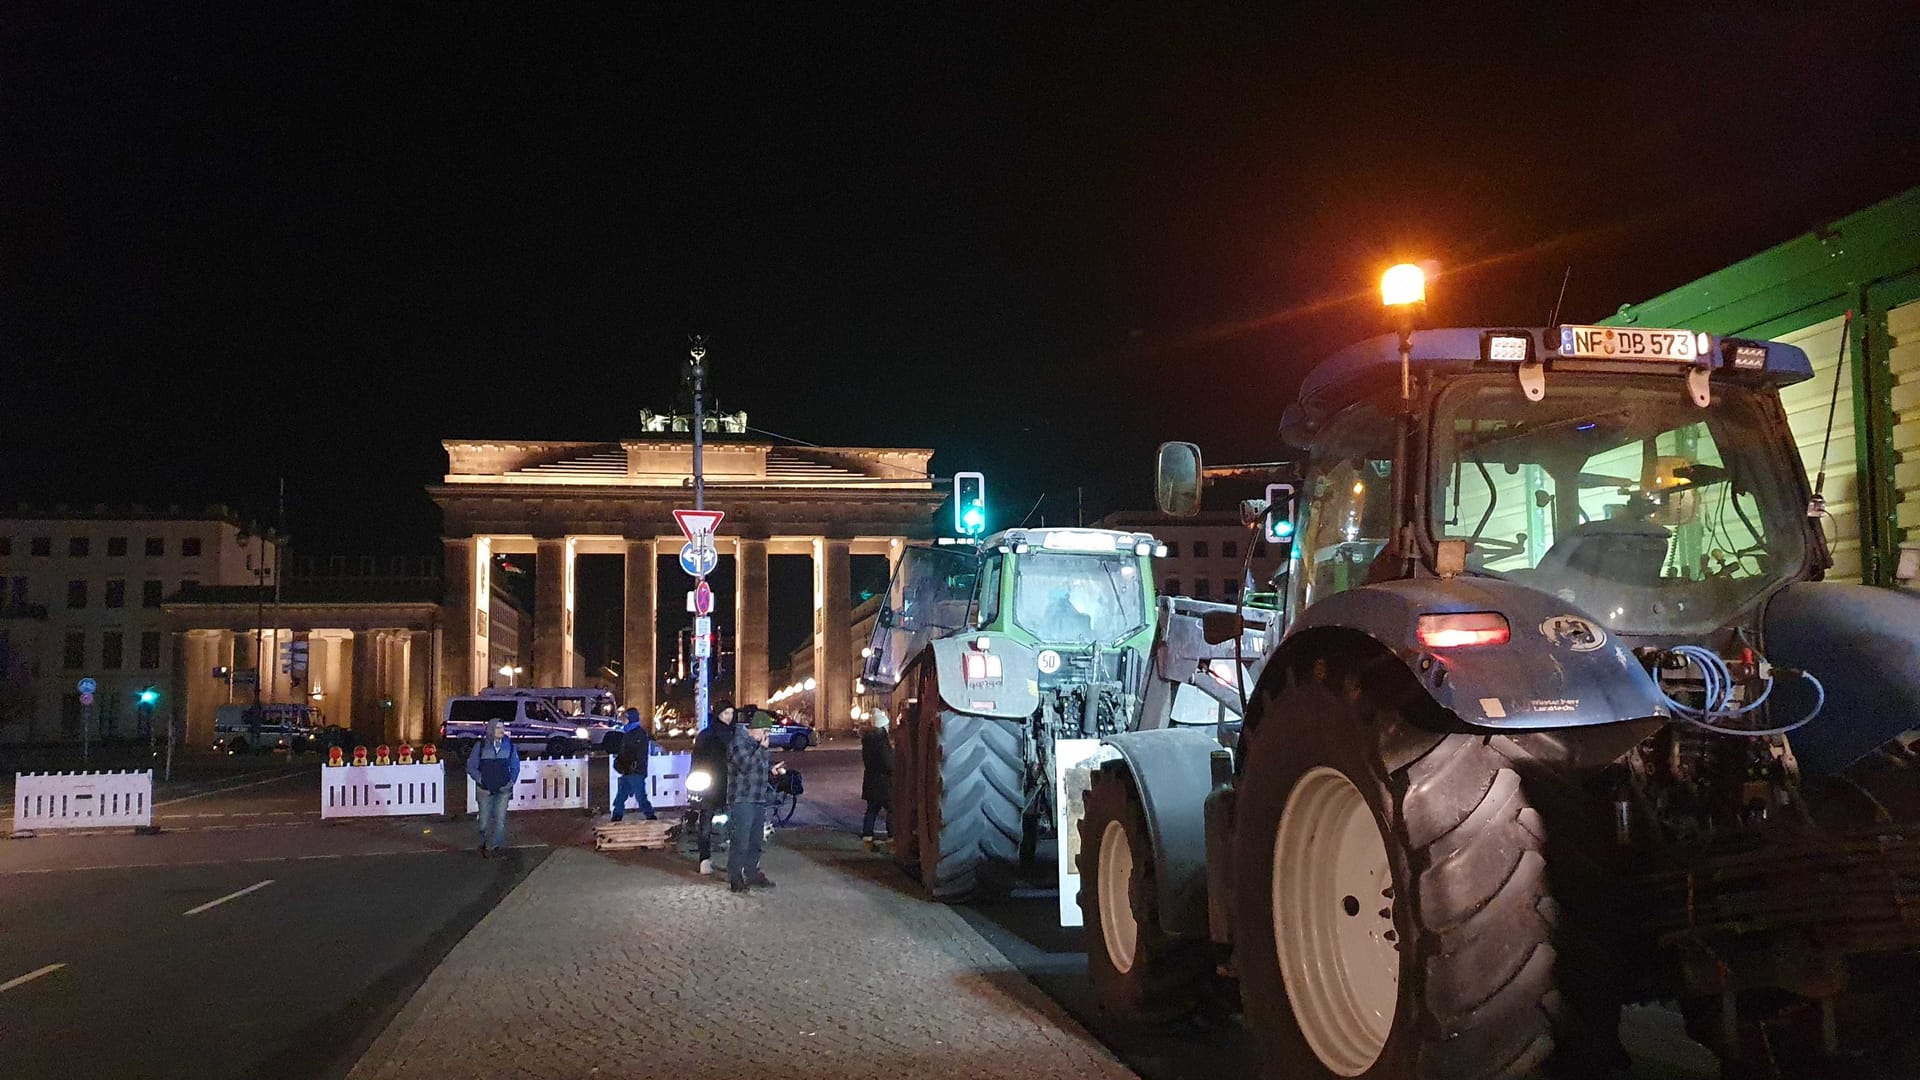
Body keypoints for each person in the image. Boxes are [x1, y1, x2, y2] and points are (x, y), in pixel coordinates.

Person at [724, 714, 779, 892]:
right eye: (765, 732)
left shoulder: (757, 745)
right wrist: (760, 749)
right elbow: (745, 765)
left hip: (758, 797)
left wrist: (772, 770)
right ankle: (735, 876)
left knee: (756, 840)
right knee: (741, 839)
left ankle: (752, 871)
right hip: (742, 798)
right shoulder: (738, 742)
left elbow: (758, 768)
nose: (766, 736)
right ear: (755, 729)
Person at [689, 702, 737, 875]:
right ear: (718, 714)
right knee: (705, 823)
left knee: (734, 824)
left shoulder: (736, 733)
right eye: (725, 713)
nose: (729, 717)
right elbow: (697, 759)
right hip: (711, 783)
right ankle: (704, 858)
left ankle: (735, 861)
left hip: (731, 784)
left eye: (731, 713)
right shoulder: (706, 735)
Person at [465, 718, 521, 857]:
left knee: (500, 820)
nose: (501, 730)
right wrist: (481, 779)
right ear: (491, 729)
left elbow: (515, 765)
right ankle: (483, 844)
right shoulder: (481, 745)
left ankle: (496, 847)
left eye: (502, 728)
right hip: (484, 790)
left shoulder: (509, 745)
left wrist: (511, 781)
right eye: (498, 728)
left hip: (503, 789)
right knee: (484, 820)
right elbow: (471, 766)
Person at [610, 710, 657, 823]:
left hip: (635, 772)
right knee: (621, 794)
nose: (623, 721)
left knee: (640, 795)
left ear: (631, 719)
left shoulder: (638, 734)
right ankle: (617, 815)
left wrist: (632, 766)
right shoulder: (629, 733)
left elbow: (640, 754)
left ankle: (650, 815)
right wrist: (619, 762)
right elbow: (624, 752)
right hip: (627, 770)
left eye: (625, 718)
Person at [860, 712, 893, 847]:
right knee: (892, 808)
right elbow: (887, 762)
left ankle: (867, 834)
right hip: (883, 781)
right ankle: (892, 834)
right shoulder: (881, 741)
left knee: (872, 808)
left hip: (871, 779)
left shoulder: (867, 740)